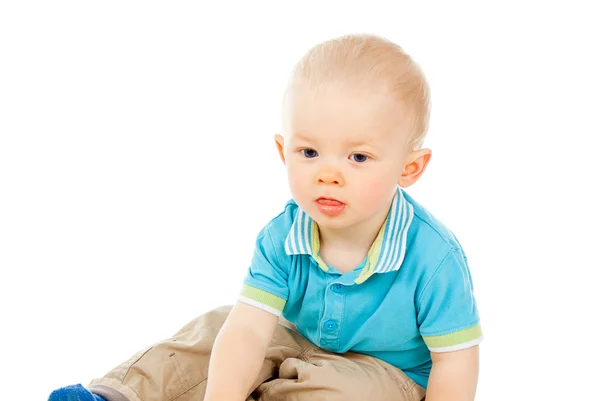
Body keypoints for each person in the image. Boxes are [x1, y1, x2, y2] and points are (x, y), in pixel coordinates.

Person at [49, 33, 482, 401]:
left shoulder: (433, 257)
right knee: (218, 332)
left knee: (342, 395)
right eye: (309, 152)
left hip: (387, 373)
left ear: (410, 168)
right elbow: (249, 331)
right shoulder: (283, 235)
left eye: (358, 157)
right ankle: (122, 394)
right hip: (297, 339)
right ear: (283, 151)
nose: (327, 175)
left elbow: (455, 362)